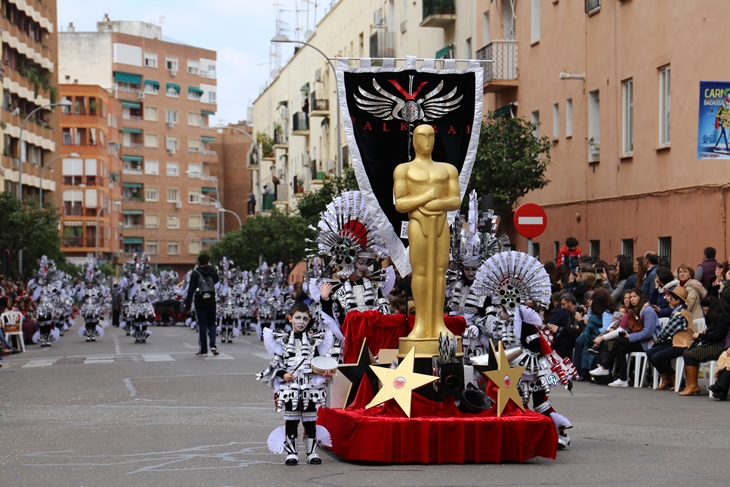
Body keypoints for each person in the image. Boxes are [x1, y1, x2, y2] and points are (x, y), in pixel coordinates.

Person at [393, 124, 461, 344]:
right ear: (414, 140)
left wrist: (435, 203)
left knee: (440, 272)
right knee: (420, 271)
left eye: (431, 136)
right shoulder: (404, 170)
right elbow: (401, 203)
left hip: (440, 224)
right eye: (422, 137)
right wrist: (428, 197)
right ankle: (421, 323)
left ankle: (438, 323)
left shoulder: (447, 169)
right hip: (418, 224)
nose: (427, 141)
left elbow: (455, 200)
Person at [257, 302, 334, 465]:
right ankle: (291, 453)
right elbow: (274, 365)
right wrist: (282, 374)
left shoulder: (314, 341)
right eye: (298, 318)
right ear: (290, 319)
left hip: (309, 386)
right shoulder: (282, 341)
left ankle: (311, 452)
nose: (301, 322)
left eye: (305, 319)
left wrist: (325, 372)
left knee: (310, 419)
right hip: (290, 388)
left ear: (309, 320)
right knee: (291, 420)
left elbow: (320, 363)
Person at [589, 289, 659, 387]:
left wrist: (630, 337)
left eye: (634, 296)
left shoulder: (647, 310)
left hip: (650, 343)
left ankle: (605, 367)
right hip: (640, 341)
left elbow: (648, 332)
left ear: (641, 297)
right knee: (620, 348)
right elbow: (620, 329)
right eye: (630, 297)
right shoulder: (632, 311)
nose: (632, 299)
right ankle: (623, 379)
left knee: (619, 341)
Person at [678, 296, 730, 396]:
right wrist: (705, 332)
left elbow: (718, 335)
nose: (705, 312)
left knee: (689, 354)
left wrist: (700, 335)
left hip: (719, 347)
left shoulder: (723, 317)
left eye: (706, 310)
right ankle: (692, 384)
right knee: (688, 352)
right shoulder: (718, 316)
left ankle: (693, 385)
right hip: (719, 345)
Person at [645, 286, 693, 391]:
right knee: (650, 352)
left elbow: (666, 332)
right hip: (675, 341)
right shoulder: (677, 311)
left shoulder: (680, 314)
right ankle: (666, 378)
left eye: (671, 298)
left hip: (682, 344)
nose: (669, 300)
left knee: (657, 357)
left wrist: (659, 341)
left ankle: (675, 377)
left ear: (678, 300)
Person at [184, 254, 220, 357]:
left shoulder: (196, 273)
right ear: (208, 261)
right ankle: (213, 345)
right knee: (212, 324)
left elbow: (191, 289)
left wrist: (188, 306)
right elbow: (216, 281)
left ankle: (203, 350)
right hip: (211, 300)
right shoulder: (213, 271)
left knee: (202, 325)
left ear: (199, 262)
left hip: (200, 301)